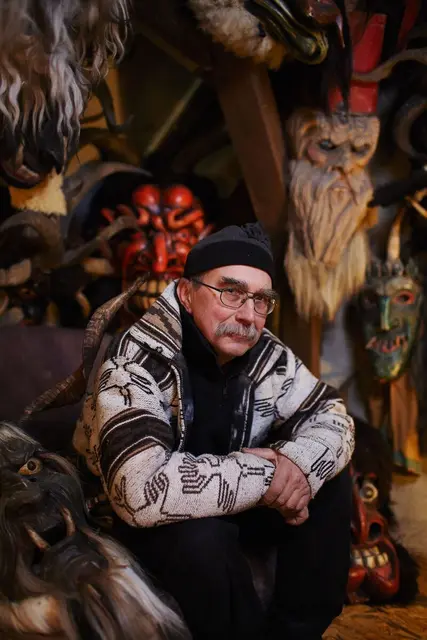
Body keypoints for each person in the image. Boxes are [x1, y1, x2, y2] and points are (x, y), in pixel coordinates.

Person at [74, 222, 354, 640]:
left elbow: (333, 415)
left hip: (232, 502)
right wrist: (268, 475)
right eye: (231, 292)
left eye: (261, 300)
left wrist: (296, 463)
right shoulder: (135, 362)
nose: (248, 315)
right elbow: (139, 491)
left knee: (330, 481)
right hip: (134, 521)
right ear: (187, 294)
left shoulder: (267, 355)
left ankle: (296, 632)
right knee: (202, 538)